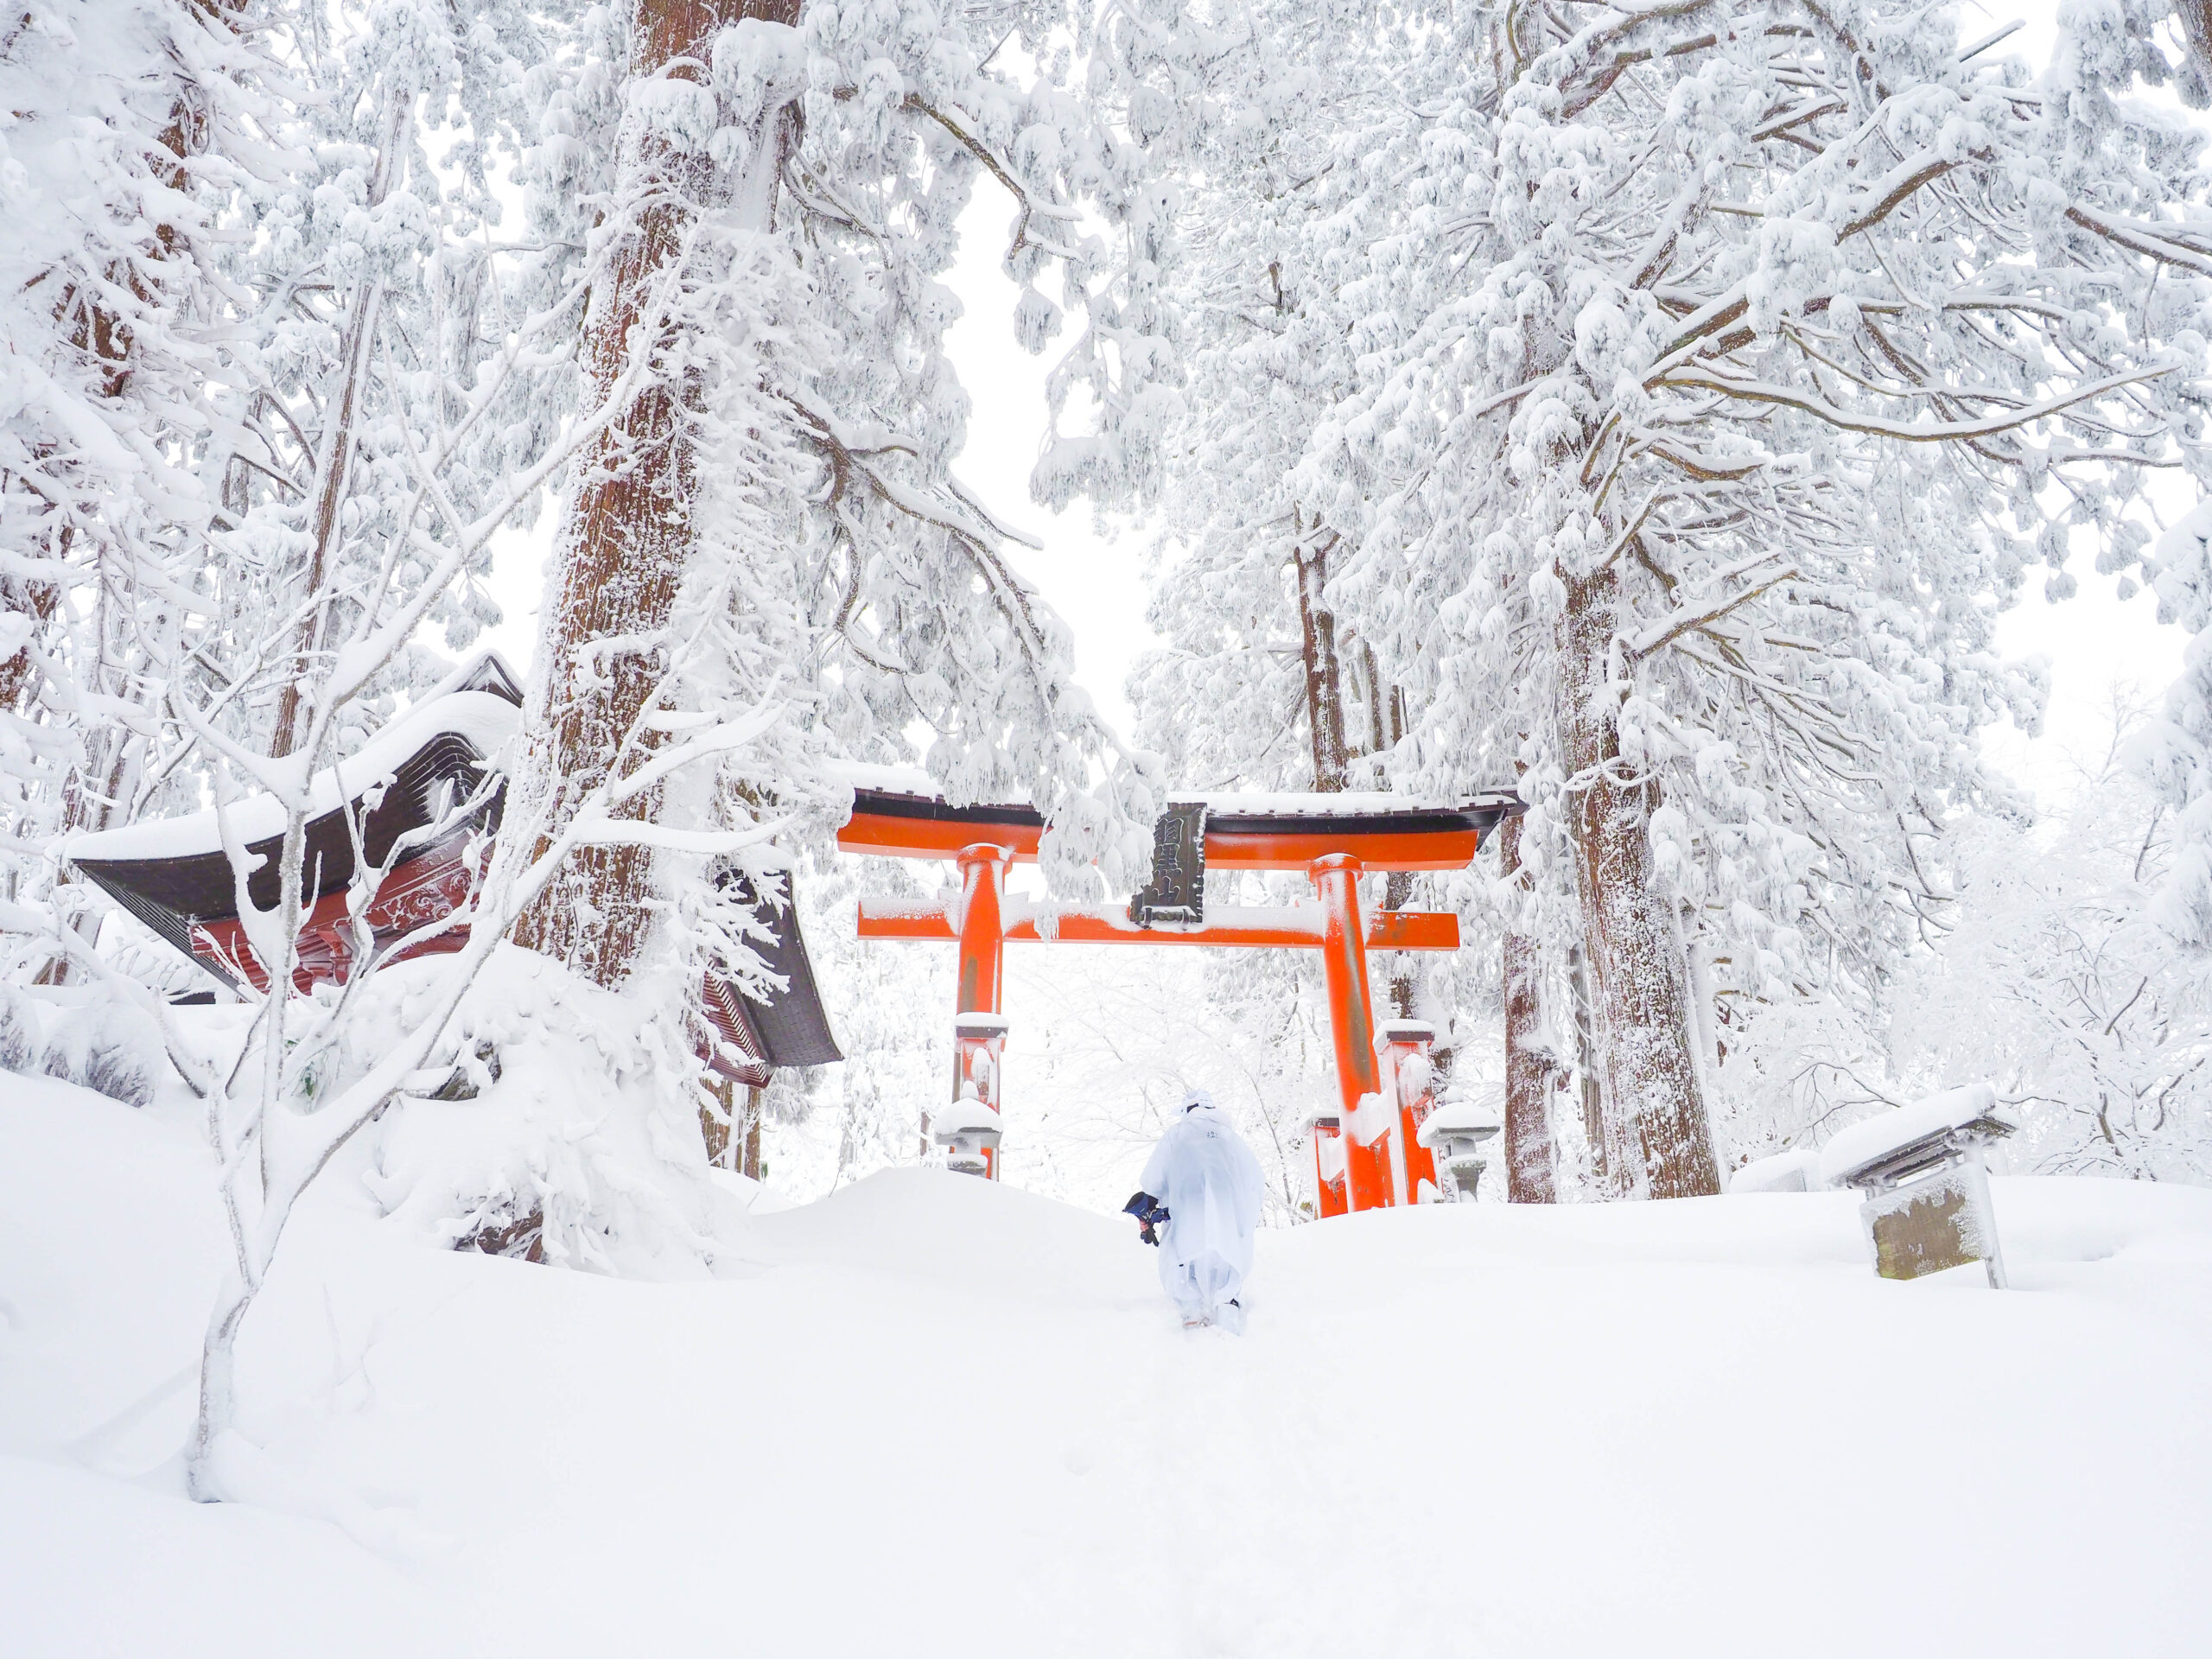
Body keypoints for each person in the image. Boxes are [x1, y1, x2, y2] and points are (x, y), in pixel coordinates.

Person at [1124, 1088, 1265, 1332]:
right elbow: (1255, 1180)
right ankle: (1228, 1312)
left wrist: (1147, 1209)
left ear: (1187, 1111)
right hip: (1227, 1212)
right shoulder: (1231, 1138)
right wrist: (1244, 1216)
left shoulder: (1176, 1135)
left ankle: (1192, 1313)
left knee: (1184, 1257)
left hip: (1187, 1208)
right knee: (1226, 1257)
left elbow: (1154, 1180)